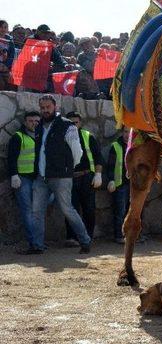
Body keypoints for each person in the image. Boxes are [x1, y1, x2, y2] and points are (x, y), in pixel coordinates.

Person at [32, 95, 92, 254]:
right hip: (41, 177)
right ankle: (37, 246)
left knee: (68, 210)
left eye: (48, 107)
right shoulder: (38, 127)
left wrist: (67, 168)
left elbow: (77, 152)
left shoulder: (67, 126)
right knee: (36, 211)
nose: (45, 110)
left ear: (55, 107)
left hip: (61, 177)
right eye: (43, 108)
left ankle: (85, 241)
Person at [64, 112, 103, 245]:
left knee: (88, 209)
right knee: (70, 209)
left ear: (80, 123)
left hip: (86, 177)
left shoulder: (88, 136)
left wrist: (98, 175)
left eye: (76, 122)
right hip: (69, 179)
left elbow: (98, 157)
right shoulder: (62, 137)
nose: (73, 125)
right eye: (70, 123)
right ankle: (71, 238)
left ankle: (88, 237)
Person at [8, 111, 41, 253]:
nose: (34, 123)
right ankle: (34, 244)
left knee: (38, 211)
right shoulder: (18, 137)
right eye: (30, 121)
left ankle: (38, 242)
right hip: (23, 179)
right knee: (27, 211)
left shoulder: (42, 137)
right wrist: (14, 175)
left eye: (36, 121)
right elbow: (11, 158)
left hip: (38, 179)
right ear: (25, 122)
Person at [106, 131, 129, 244]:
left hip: (134, 184)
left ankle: (133, 235)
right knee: (120, 211)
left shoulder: (136, 145)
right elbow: (110, 165)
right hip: (120, 184)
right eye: (125, 131)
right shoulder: (115, 146)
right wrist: (111, 180)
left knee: (133, 212)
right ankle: (119, 235)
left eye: (129, 132)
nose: (127, 134)